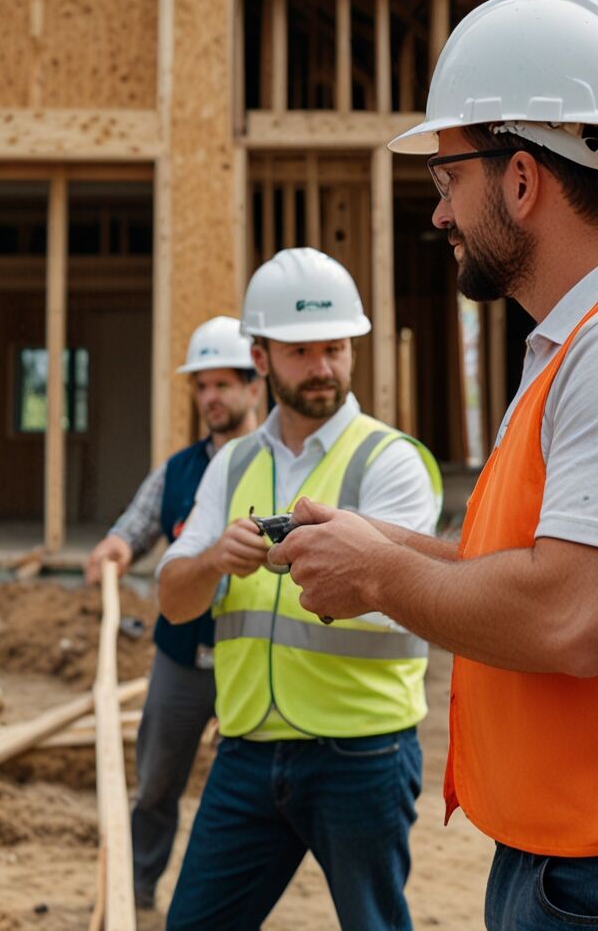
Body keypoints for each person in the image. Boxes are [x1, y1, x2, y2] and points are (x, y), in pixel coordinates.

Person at [271, 0, 598, 930]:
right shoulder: (589, 342)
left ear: (519, 179)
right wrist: (378, 545)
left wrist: (382, 576)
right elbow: (542, 577)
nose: (439, 215)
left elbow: (577, 620)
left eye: (445, 180)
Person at [156, 247, 443, 931]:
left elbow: (406, 598)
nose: (322, 367)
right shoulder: (231, 463)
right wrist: (211, 563)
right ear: (260, 359)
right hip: (248, 746)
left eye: (336, 348)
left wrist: (327, 563)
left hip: (362, 751)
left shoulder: (390, 460)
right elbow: (172, 599)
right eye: (300, 351)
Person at [84, 315, 261, 915]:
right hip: (183, 657)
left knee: (260, 792)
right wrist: (116, 547)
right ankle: (133, 889)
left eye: (222, 385)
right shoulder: (179, 470)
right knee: (157, 782)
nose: (210, 398)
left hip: (257, 657)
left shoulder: (272, 465)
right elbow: (135, 527)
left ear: (253, 384)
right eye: (201, 386)